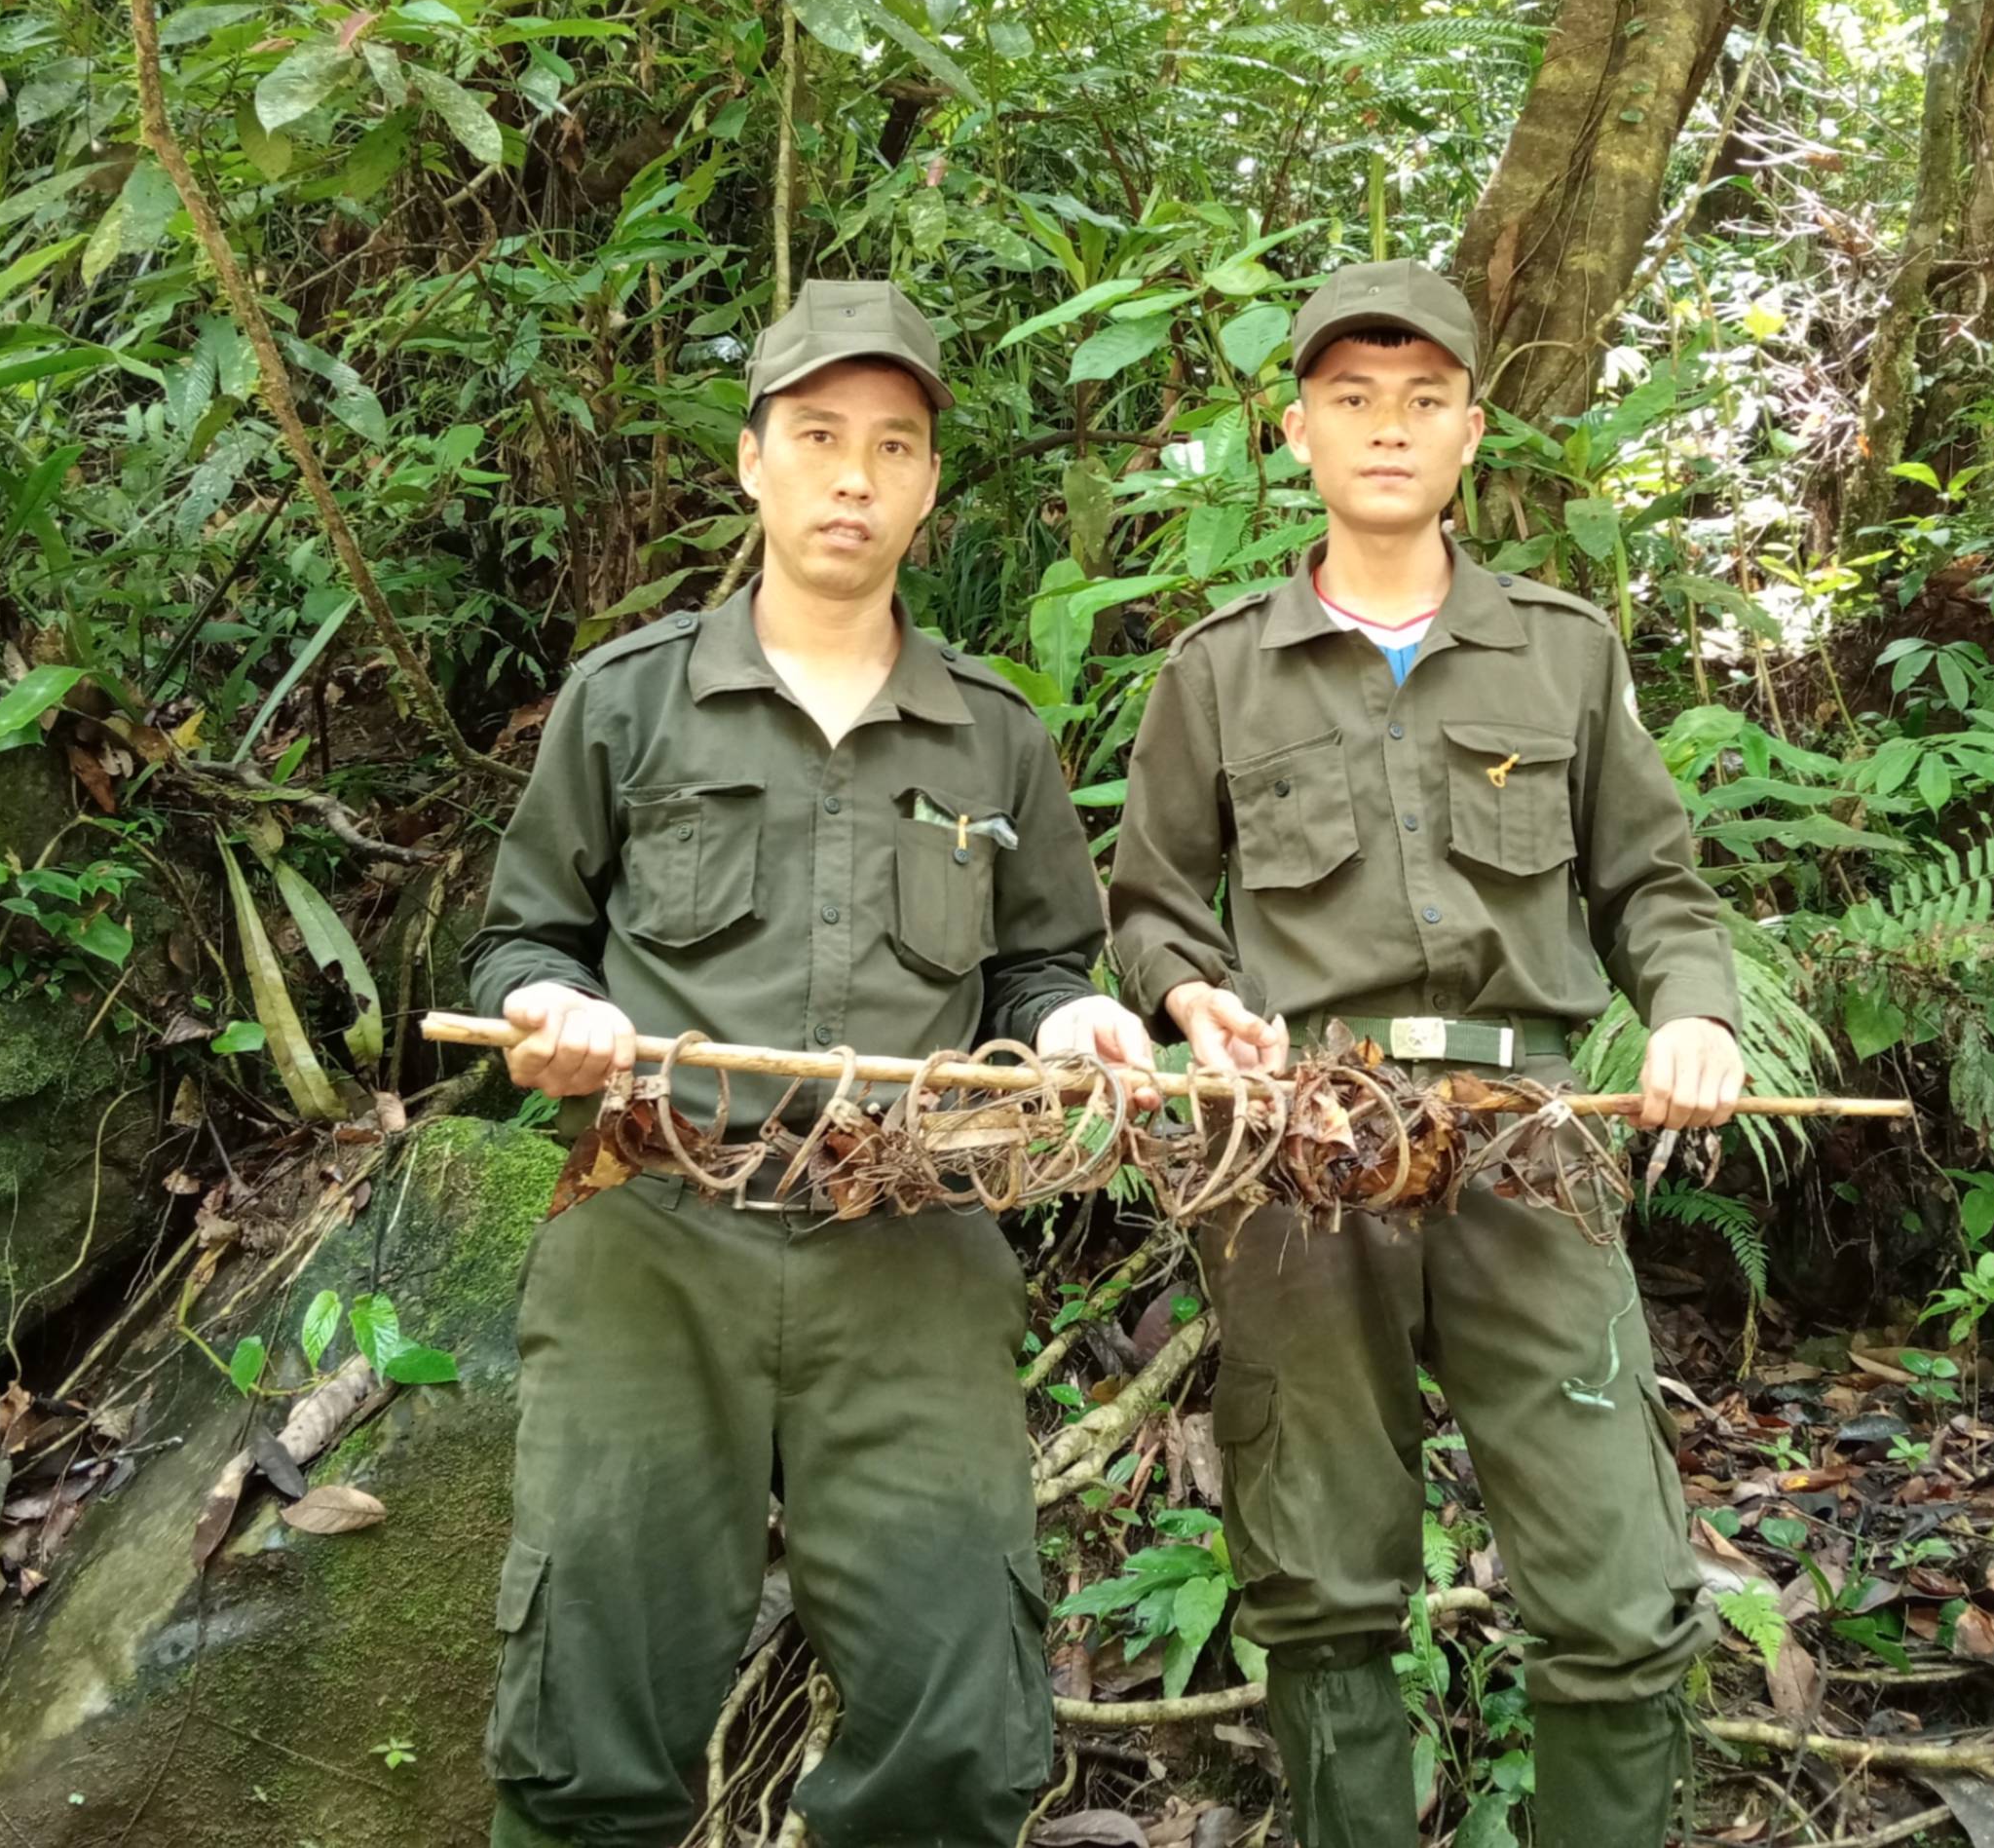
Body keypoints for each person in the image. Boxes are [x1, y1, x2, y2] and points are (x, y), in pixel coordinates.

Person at [464, 278, 1156, 1848]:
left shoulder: (994, 736)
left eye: (895, 446)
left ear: (926, 485)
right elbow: (520, 942)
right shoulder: (627, 701)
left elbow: (1046, 960)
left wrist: (1070, 1023)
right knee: (588, 1725)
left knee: (958, 1728)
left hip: (911, 1242)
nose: (856, 476)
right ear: (753, 461)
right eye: (822, 437)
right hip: (655, 1234)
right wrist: (550, 1021)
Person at [1106, 258, 1749, 1846]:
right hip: (1304, 1145)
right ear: (1298, 430)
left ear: (1473, 431)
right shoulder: (1217, 671)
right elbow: (1147, 905)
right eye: (1350, 400)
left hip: (1528, 1133)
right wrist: (1193, 999)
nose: (1386, 430)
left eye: (1422, 401)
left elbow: (1657, 887)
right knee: (1324, 1593)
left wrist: (1692, 1011)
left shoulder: (1564, 652)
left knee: (1618, 1591)